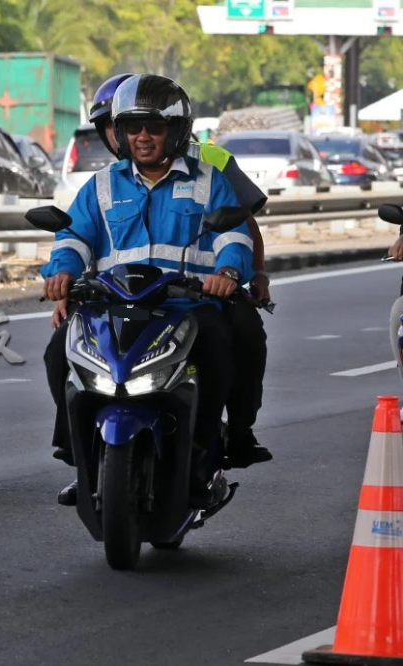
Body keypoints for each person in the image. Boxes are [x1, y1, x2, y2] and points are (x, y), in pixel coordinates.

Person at [50, 74, 273, 507]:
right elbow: (74, 237)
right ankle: (83, 458)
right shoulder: (100, 185)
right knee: (58, 350)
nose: (143, 137)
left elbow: (235, 235)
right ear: (119, 133)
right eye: (133, 128)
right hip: (113, 302)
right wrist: (62, 273)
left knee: (223, 349)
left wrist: (228, 271)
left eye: (153, 127)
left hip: (188, 303)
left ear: (175, 131)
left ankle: (203, 450)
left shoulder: (210, 179)